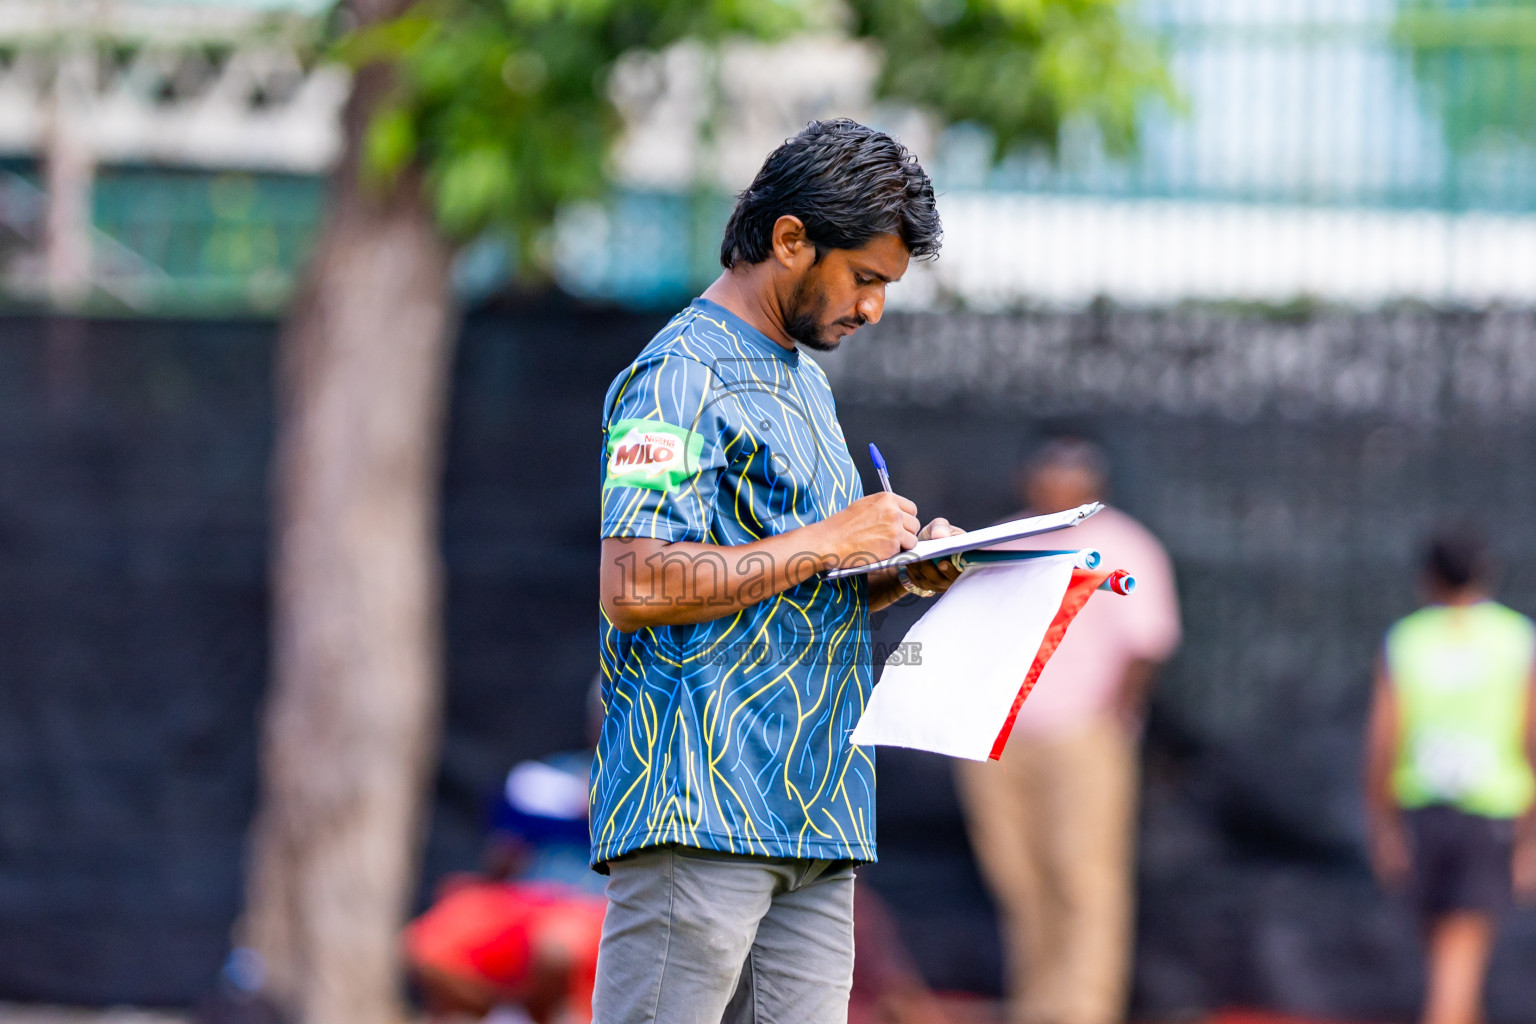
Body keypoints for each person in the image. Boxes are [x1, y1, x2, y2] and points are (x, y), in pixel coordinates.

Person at [592, 118, 963, 1024]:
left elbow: (786, 586)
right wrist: (838, 538)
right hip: (702, 808)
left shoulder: (800, 379)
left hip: (816, 813)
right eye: (866, 279)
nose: (872, 307)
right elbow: (635, 583)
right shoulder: (676, 378)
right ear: (791, 239)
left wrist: (901, 575)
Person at [954, 439, 1181, 1024]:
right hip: (1000, 736)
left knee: (1083, 878)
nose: (1057, 481)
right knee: (1017, 876)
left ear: (1094, 480)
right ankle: (1040, 1007)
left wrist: (1115, 719)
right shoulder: (1005, 540)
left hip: (1082, 734)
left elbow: (1146, 642)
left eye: (1071, 471)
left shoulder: (1124, 544)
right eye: (1047, 470)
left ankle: (1083, 1010)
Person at [1365, 530, 1536, 1024]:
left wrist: (1383, 826)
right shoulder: (1516, 638)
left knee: (1451, 966)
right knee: (1455, 974)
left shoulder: (1407, 639)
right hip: (1490, 814)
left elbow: (1382, 743)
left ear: (1428, 579)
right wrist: (1528, 837)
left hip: (1424, 814)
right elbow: (1530, 739)